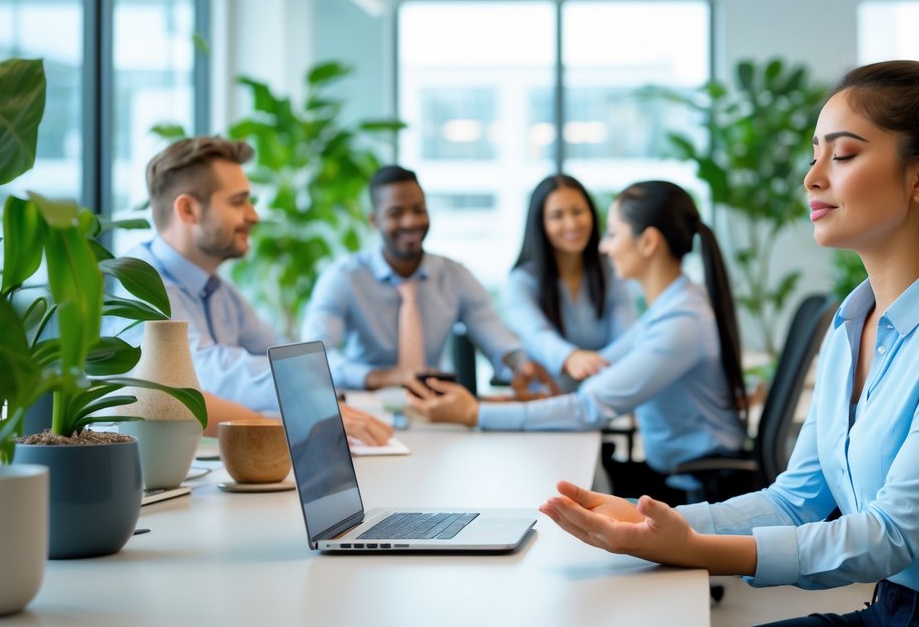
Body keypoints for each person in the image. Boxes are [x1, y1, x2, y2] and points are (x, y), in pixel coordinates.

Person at [539, 61, 919, 627]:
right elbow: (796, 501)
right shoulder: (850, 323)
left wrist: (695, 549)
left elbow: (889, 537)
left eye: (841, 156)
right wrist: (650, 522)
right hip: (897, 614)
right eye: (815, 154)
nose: (812, 178)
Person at [406, 180, 747, 505]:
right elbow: (602, 370)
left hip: (699, 488)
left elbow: (589, 407)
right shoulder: (675, 306)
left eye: (612, 234)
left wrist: (473, 412)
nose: (603, 246)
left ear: (648, 242)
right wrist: (508, 404)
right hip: (680, 474)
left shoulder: (681, 321)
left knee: (552, 498)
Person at [130, 137, 393, 445]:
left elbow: (277, 352)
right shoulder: (137, 285)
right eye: (238, 201)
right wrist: (304, 398)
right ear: (188, 210)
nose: (254, 215)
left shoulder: (217, 290)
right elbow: (196, 375)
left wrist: (333, 392)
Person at [301, 165, 558, 399]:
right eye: (396, 213)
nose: (411, 221)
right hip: (367, 404)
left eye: (418, 210)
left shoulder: (455, 275)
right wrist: (383, 377)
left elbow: (497, 338)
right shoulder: (343, 278)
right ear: (374, 220)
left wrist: (519, 365)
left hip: (434, 405)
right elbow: (313, 360)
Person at [503, 174, 636, 389]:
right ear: (540, 223)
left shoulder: (611, 269)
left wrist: (592, 366)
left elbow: (626, 335)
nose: (571, 224)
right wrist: (571, 359)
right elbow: (537, 335)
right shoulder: (521, 282)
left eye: (577, 211)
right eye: (557, 215)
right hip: (548, 398)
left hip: (606, 392)